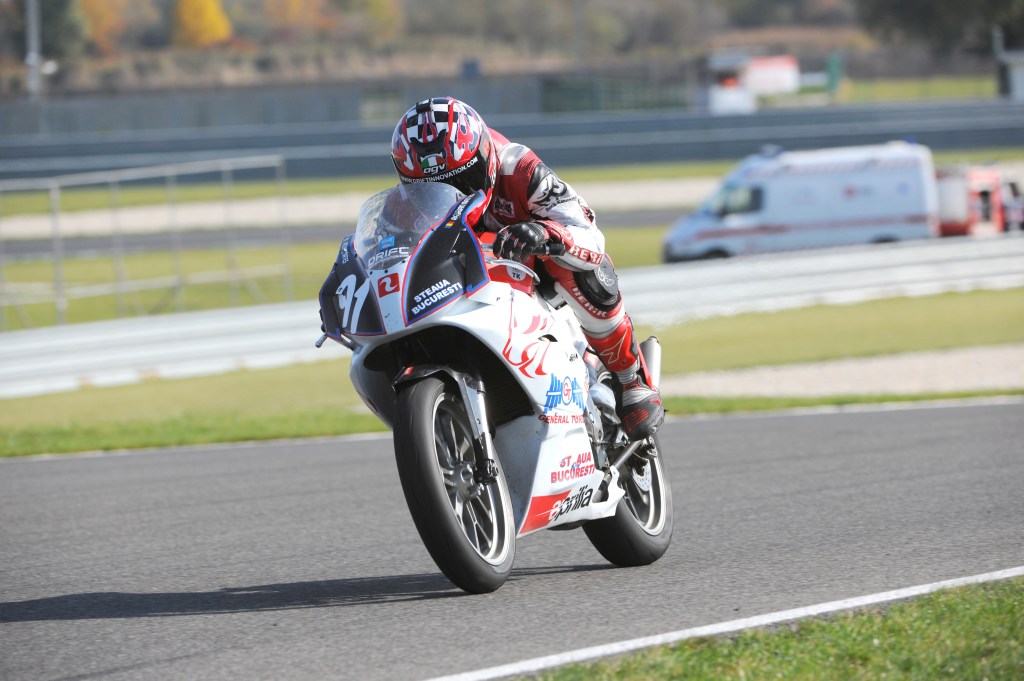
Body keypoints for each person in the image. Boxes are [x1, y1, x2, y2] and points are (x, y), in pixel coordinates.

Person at [390, 96, 664, 441]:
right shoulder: (406, 205)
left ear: (485, 157)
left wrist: (546, 233)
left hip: (535, 263)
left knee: (588, 271)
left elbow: (591, 237)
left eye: (463, 180)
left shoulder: (520, 169)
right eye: (432, 189)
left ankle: (630, 378)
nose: (454, 195)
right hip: (471, 278)